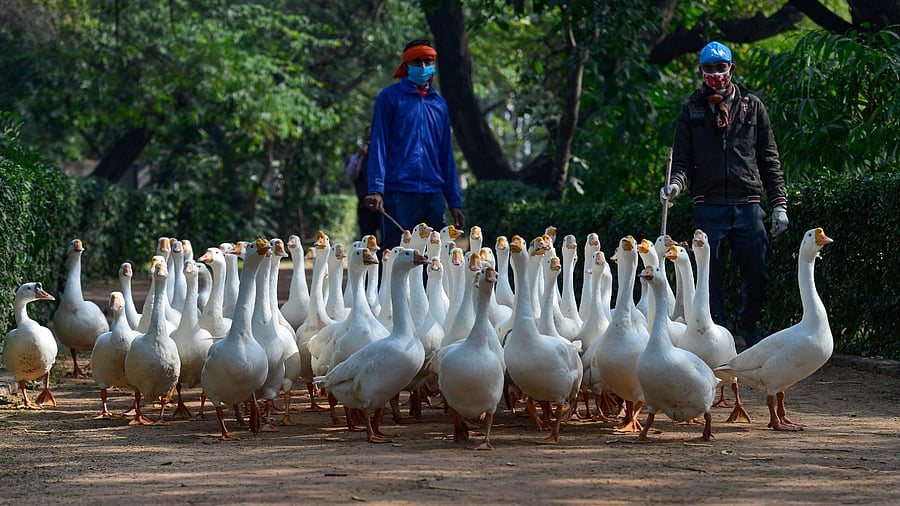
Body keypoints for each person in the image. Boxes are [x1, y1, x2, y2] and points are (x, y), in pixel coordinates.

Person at [660, 40, 789, 349]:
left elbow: (769, 158)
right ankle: (718, 334)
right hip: (708, 205)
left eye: (721, 68)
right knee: (708, 276)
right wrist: (675, 185)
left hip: (748, 205)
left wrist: (779, 204)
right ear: (701, 71)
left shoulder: (752, 106)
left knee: (757, 271)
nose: (716, 74)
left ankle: (749, 325)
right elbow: (682, 162)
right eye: (709, 69)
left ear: (732, 68)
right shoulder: (691, 110)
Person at [364, 38, 465, 249]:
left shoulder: (439, 104)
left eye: (428, 61)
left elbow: (446, 154)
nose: (423, 67)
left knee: (434, 257)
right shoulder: (389, 98)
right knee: (396, 252)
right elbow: (378, 146)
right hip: (397, 191)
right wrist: (376, 189)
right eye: (417, 62)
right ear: (405, 65)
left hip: (432, 191)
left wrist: (454, 201)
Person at [345, 127, 381, 240]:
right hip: (364, 205)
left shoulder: (383, 154)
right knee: (366, 238)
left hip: (382, 205)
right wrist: (359, 156)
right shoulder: (360, 156)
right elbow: (350, 174)